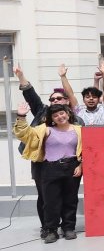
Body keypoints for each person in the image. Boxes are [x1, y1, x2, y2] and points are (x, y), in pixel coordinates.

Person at [14, 101, 83, 243]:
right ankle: (51, 230)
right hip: (50, 168)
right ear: (51, 118)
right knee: (51, 201)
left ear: (68, 113)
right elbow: (25, 134)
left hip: (72, 167)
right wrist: (21, 116)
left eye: (62, 113)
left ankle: (69, 228)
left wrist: (81, 165)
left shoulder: (79, 130)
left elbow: (87, 149)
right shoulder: (44, 129)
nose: (60, 117)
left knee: (70, 200)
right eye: (55, 115)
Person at [14, 64, 70, 237]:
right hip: (41, 162)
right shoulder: (42, 111)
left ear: (67, 101)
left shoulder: (74, 117)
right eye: (52, 99)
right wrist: (21, 76)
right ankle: (48, 227)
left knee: (66, 196)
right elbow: (30, 95)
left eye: (59, 98)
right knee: (45, 196)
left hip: (66, 164)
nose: (55, 101)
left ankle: (67, 226)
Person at [61, 60, 104, 126]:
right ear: (83, 100)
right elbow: (70, 95)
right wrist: (63, 77)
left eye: (94, 97)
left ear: (99, 99)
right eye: (87, 97)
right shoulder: (79, 111)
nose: (91, 99)